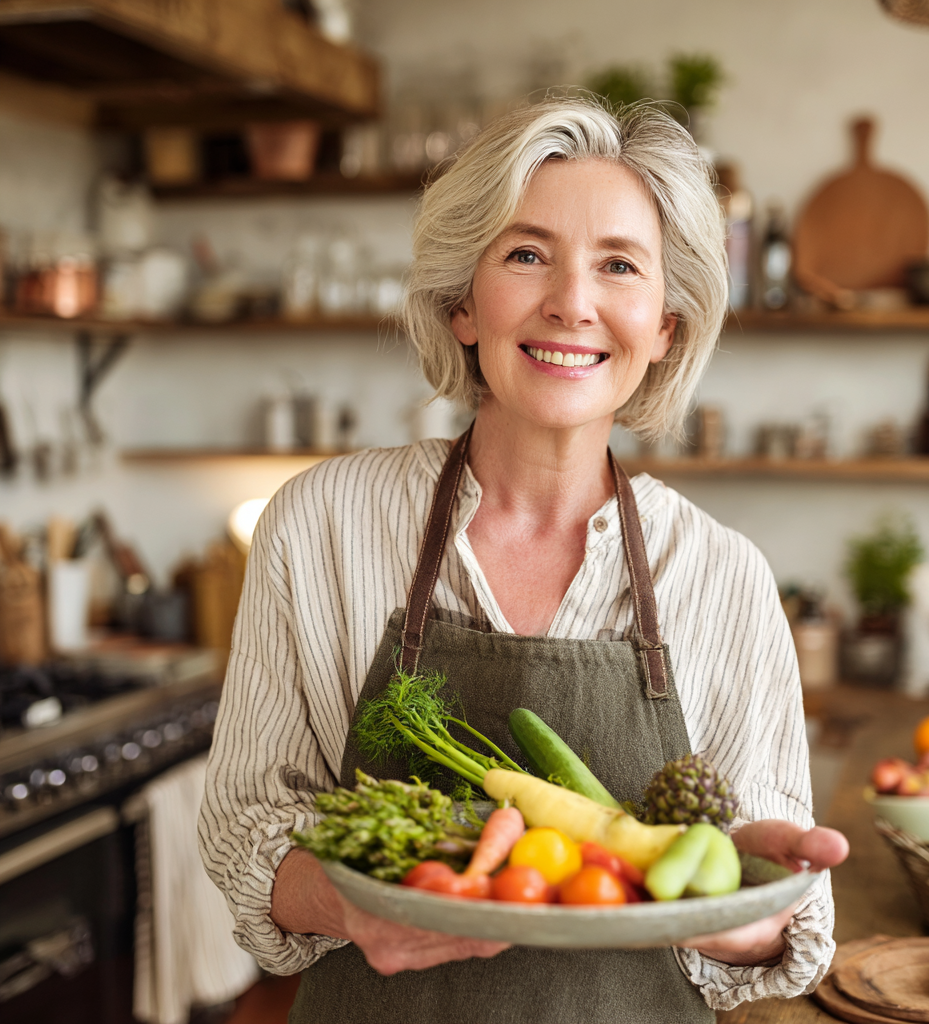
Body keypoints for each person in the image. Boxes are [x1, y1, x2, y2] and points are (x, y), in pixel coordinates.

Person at [199, 97, 849, 1024]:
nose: (572, 304)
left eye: (619, 266)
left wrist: (742, 912)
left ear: (665, 325)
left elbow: (781, 933)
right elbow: (244, 832)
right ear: (463, 304)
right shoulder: (320, 526)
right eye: (527, 254)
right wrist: (351, 902)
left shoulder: (723, 576)